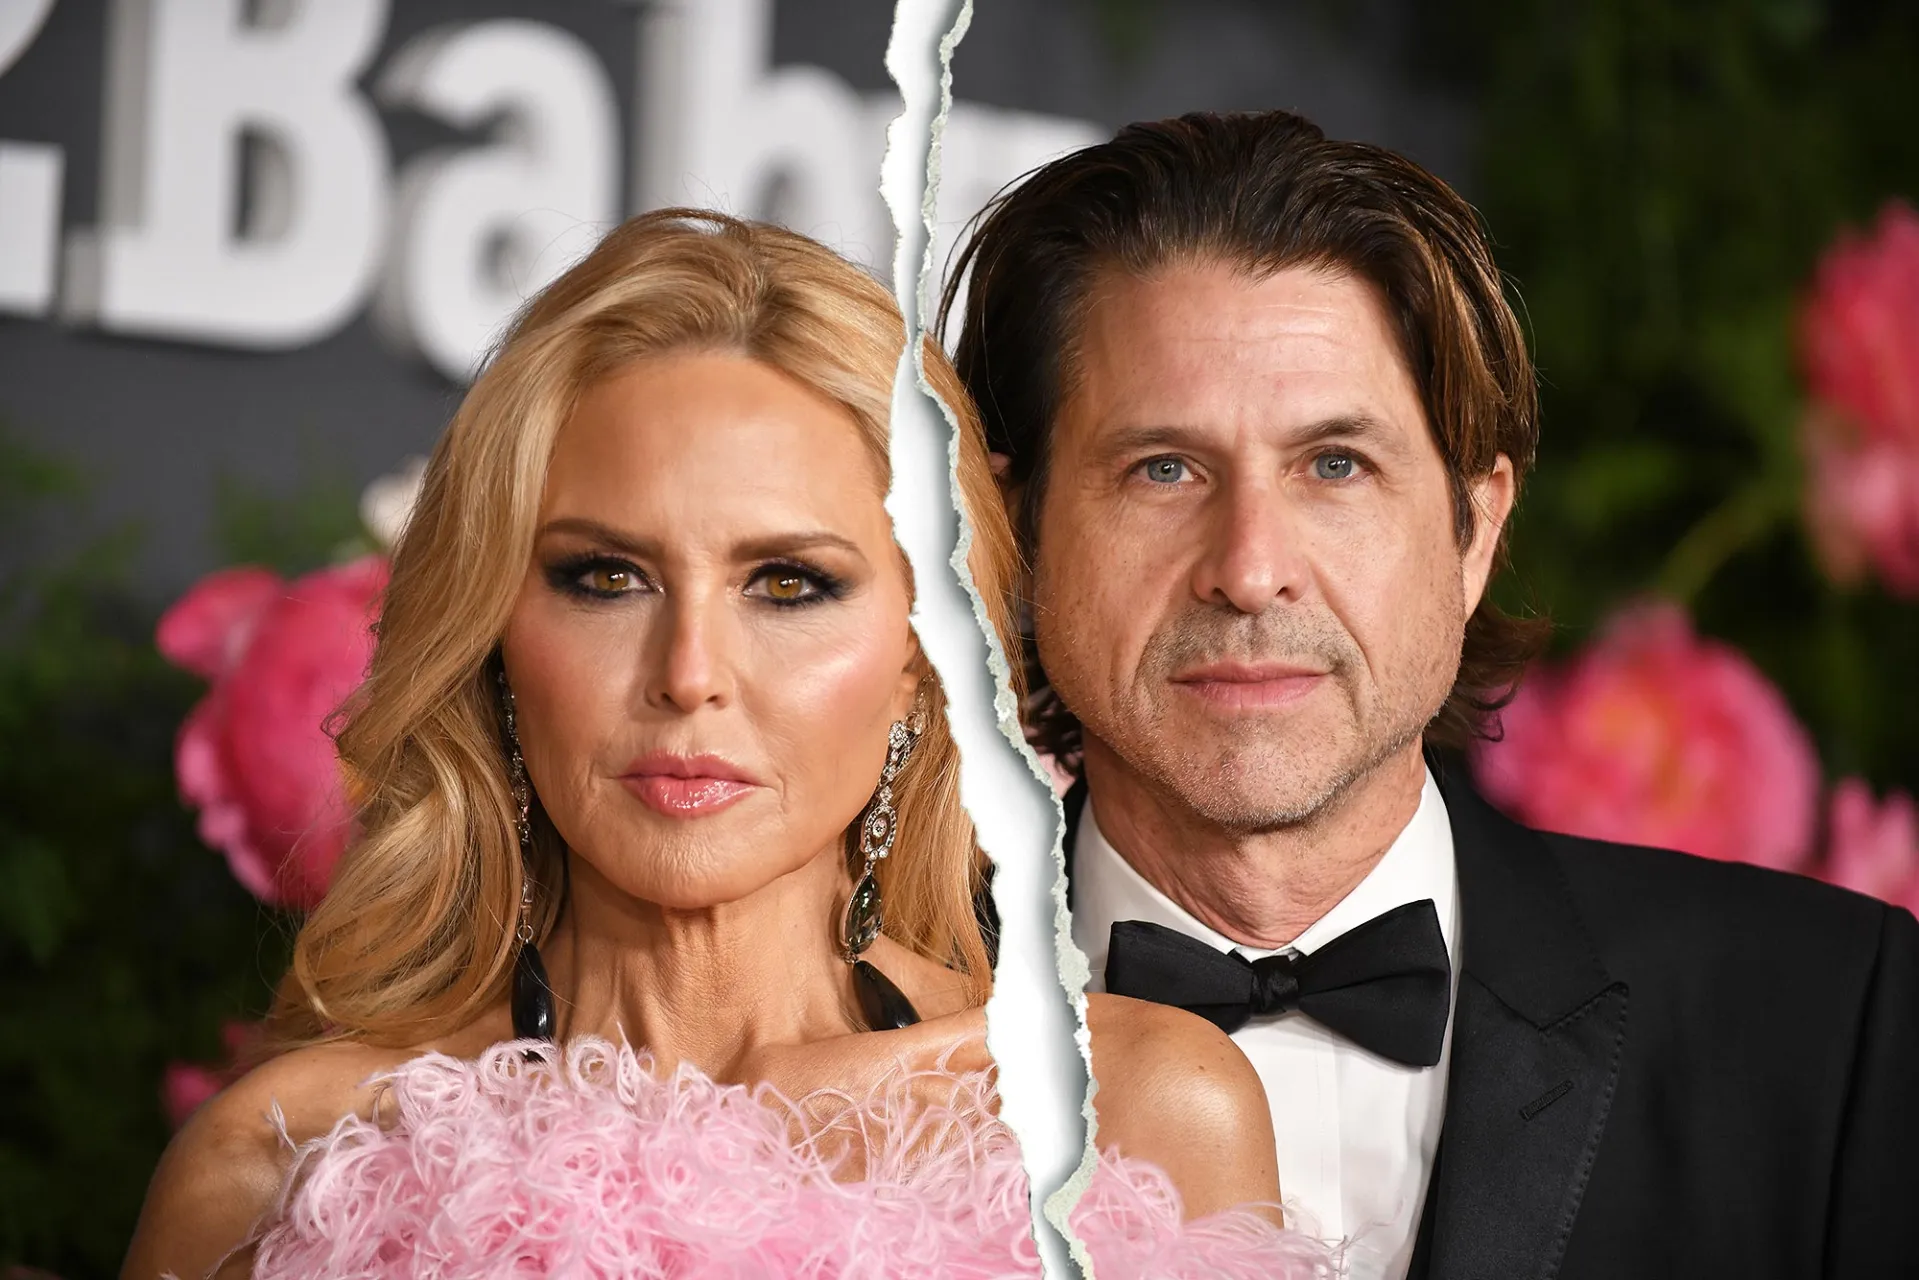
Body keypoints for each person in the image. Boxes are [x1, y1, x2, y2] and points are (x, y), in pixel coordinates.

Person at [119, 211, 1333, 1278]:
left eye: (789, 583)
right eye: (606, 577)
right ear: (494, 635)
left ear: (922, 662)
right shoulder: (283, 1164)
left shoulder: (1133, 1114)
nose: (689, 672)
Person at [944, 109, 1919, 1280]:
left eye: (1334, 465)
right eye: (1163, 468)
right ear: (1012, 533)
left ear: (1473, 532)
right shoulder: (854, 1035)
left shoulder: (1829, 1017)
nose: (1249, 567)